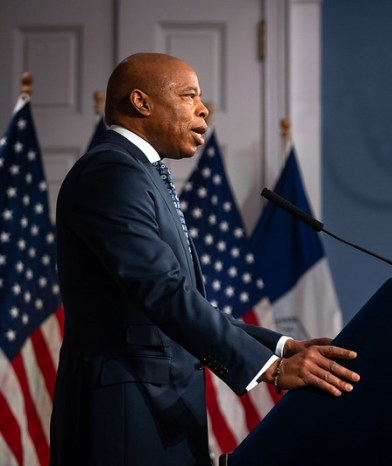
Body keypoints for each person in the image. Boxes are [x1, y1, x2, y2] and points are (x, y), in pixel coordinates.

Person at [49, 52, 360, 466]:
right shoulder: (110, 173)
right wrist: (269, 369)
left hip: (159, 407)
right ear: (141, 103)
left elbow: (183, 297)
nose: (204, 109)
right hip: (126, 412)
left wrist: (282, 347)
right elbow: (163, 291)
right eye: (189, 95)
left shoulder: (139, 173)